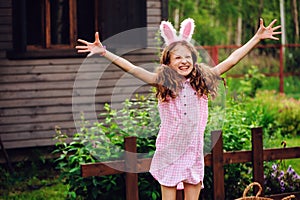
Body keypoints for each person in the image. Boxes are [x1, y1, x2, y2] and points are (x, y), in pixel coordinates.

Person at [76, 18, 281, 200]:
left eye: (187, 57)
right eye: (178, 58)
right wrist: (105, 52)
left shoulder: (203, 80)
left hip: (193, 151)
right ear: (169, 63)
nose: (184, 61)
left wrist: (256, 38)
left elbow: (232, 60)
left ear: (193, 59)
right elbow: (133, 69)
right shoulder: (163, 82)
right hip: (169, 152)